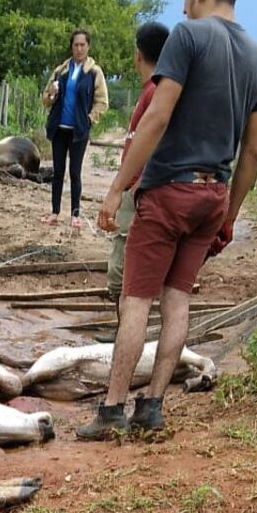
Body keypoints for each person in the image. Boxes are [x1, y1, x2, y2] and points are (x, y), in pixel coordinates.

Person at [77, 0, 257, 440]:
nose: (183, 2)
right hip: (213, 196)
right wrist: (228, 216)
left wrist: (116, 188)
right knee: (178, 300)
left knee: (137, 299)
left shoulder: (188, 36)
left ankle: (112, 409)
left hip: (168, 193)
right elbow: (252, 153)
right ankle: (153, 406)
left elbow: (157, 118)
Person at [101, 22, 170, 340]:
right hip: (138, 186)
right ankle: (123, 333)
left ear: (137, 54)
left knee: (123, 262)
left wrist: (125, 187)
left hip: (138, 188)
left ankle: (125, 336)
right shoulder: (155, 91)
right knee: (125, 261)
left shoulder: (156, 92)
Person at [41, 29, 108, 229]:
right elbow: (46, 99)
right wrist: (51, 94)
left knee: (75, 172)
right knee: (58, 171)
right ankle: (54, 212)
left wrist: (88, 120)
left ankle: (75, 214)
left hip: (78, 130)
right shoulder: (60, 70)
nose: (79, 48)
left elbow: (102, 102)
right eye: (76, 45)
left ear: (88, 47)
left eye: (83, 45)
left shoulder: (94, 72)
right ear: (71, 47)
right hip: (59, 127)